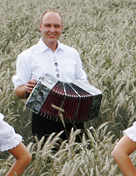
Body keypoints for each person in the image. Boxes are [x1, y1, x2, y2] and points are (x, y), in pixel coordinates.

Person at [13, 10, 90, 141]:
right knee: (48, 159)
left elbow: (83, 83)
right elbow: (18, 92)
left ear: (62, 28)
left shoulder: (72, 53)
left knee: (78, 154)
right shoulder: (26, 56)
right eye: (48, 25)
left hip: (73, 116)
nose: (52, 30)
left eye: (56, 26)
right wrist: (26, 88)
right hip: (43, 118)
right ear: (40, 26)